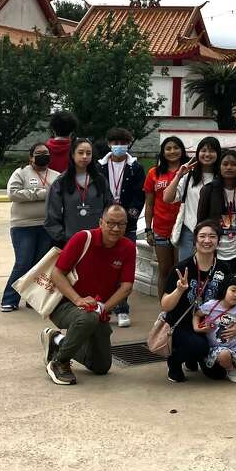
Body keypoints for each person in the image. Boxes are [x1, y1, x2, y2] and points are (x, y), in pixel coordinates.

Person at [40, 205, 135, 385]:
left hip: (97, 309)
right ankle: (59, 363)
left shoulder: (128, 248)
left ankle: (57, 341)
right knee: (88, 317)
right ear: (101, 222)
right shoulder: (83, 238)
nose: (115, 229)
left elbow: (126, 287)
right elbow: (56, 274)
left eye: (121, 224)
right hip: (65, 304)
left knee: (101, 366)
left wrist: (103, 308)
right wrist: (78, 300)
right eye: (111, 223)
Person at [160, 221, 230, 383]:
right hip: (182, 325)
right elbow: (165, 305)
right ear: (195, 240)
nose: (207, 241)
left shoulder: (224, 269)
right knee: (199, 346)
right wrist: (179, 290)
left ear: (218, 241)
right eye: (202, 236)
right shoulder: (181, 268)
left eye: (212, 237)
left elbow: (230, 302)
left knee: (218, 374)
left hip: (210, 327)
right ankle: (175, 362)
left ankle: (195, 358)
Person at [97, 128, 144, 327]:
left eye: (123, 142)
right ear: (109, 144)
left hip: (127, 223)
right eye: (115, 142)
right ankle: (101, 306)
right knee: (101, 265)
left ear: (129, 144)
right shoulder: (99, 166)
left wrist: (131, 212)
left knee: (123, 265)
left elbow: (140, 193)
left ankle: (122, 308)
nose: (119, 146)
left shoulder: (135, 167)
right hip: (105, 221)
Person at [2, 143, 55, 312]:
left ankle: (32, 299)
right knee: (23, 262)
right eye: (39, 153)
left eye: (46, 153)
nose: (43, 155)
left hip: (46, 227)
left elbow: (59, 197)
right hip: (23, 226)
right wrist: (41, 193)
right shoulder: (21, 173)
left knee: (39, 264)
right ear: (31, 157)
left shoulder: (56, 176)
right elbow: (13, 193)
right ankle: (10, 299)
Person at [44, 138, 113, 248]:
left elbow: (109, 208)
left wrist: (106, 234)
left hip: (97, 241)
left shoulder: (100, 180)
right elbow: (51, 215)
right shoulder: (61, 182)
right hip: (70, 242)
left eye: (88, 153)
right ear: (72, 154)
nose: (85, 156)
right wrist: (63, 237)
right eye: (80, 153)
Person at [196, 148, 236, 278]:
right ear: (219, 166)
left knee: (233, 284)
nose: (229, 167)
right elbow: (201, 219)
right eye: (225, 164)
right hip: (214, 245)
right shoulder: (208, 189)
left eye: (233, 164)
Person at [143, 136, 186, 297]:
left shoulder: (188, 171)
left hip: (182, 227)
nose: (172, 151)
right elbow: (149, 204)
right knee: (164, 269)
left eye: (176, 147)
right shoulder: (154, 173)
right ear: (162, 152)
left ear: (181, 150)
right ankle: (164, 307)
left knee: (179, 269)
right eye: (168, 148)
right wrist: (148, 229)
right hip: (161, 228)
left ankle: (178, 306)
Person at [169, 137, 221, 263]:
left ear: (218, 154)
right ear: (198, 153)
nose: (207, 154)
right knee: (187, 271)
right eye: (203, 150)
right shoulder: (190, 176)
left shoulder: (222, 177)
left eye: (212, 151)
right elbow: (168, 198)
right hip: (189, 232)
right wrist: (179, 175)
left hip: (214, 234)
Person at [196, 274, 236, 383]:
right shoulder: (211, 305)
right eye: (233, 290)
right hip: (217, 348)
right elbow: (196, 315)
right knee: (224, 355)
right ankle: (230, 369)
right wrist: (196, 327)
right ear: (224, 289)